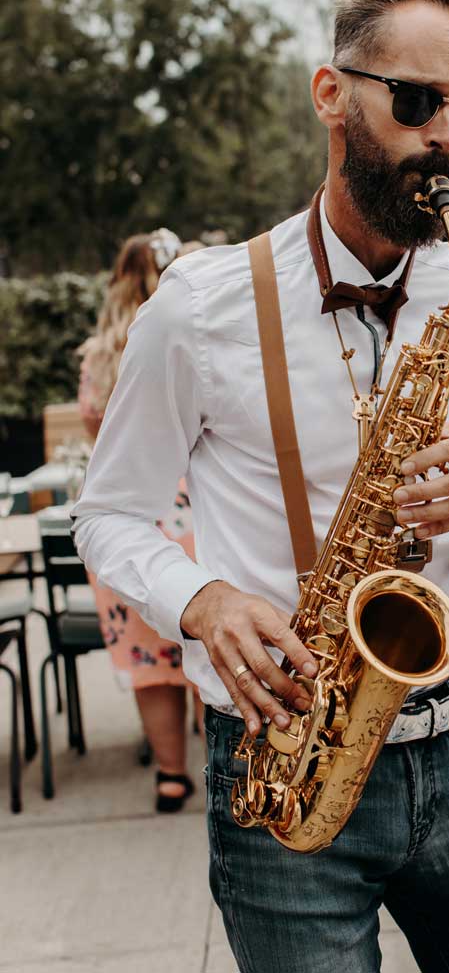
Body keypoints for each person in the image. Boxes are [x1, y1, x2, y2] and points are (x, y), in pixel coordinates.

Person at [74, 0, 449, 973]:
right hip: (278, 767)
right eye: (416, 101)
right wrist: (202, 599)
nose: (444, 136)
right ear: (331, 94)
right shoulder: (198, 306)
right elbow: (112, 512)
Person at [78, 228, 200, 810]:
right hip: (190, 510)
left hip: (124, 521)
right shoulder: (185, 332)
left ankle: (170, 775)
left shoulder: (100, 353)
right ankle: (229, 755)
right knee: (209, 643)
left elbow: (94, 437)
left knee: (151, 661)